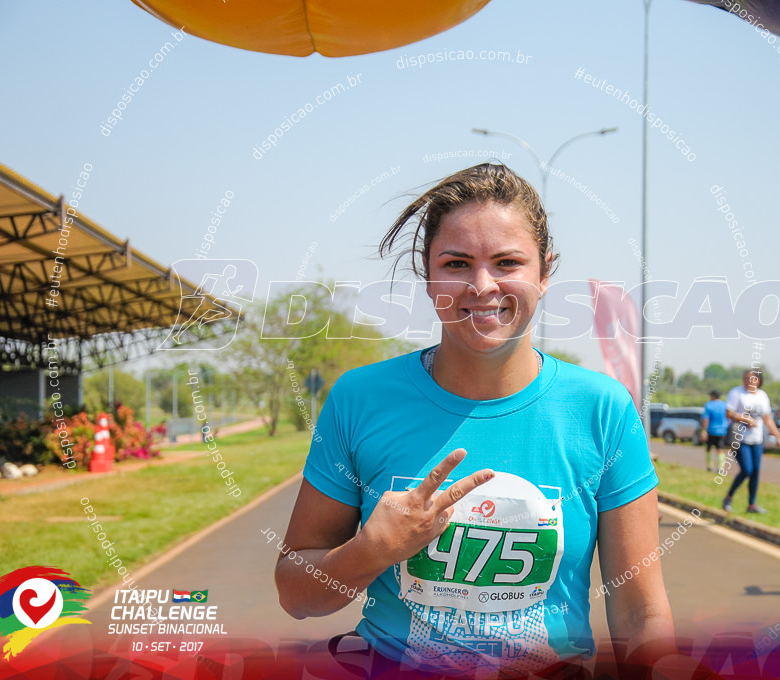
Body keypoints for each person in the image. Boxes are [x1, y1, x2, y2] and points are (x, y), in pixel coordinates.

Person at [274, 164, 675, 678]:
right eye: (457, 263)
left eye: (508, 262)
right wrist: (370, 551)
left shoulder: (603, 409)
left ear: (544, 273)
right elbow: (295, 594)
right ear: (428, 274)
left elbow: (641, 613)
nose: (482, 286)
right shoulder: (360, 399)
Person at [721, 369, 780, 514]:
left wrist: (779, 438)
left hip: (756, 440)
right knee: (747, 470)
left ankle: (751, 505)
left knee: (756, 472)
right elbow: (729, 413)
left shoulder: (762, 396)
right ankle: (729, 496)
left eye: (750, 379)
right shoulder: (736, 393)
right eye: (745, 378)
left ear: (758, 380)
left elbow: (767, 419)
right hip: (739, 439)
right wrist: (745, 419)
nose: (747, 381)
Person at [700, 390, 728, 472]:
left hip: (711, 430)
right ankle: (720, 468)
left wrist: (704, 431)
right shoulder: (724, 405)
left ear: (712, 396)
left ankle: (710, 467)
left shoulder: (708, 405)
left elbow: (706, 419)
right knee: (720, 449)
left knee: (708, 449)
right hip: (722, 431)